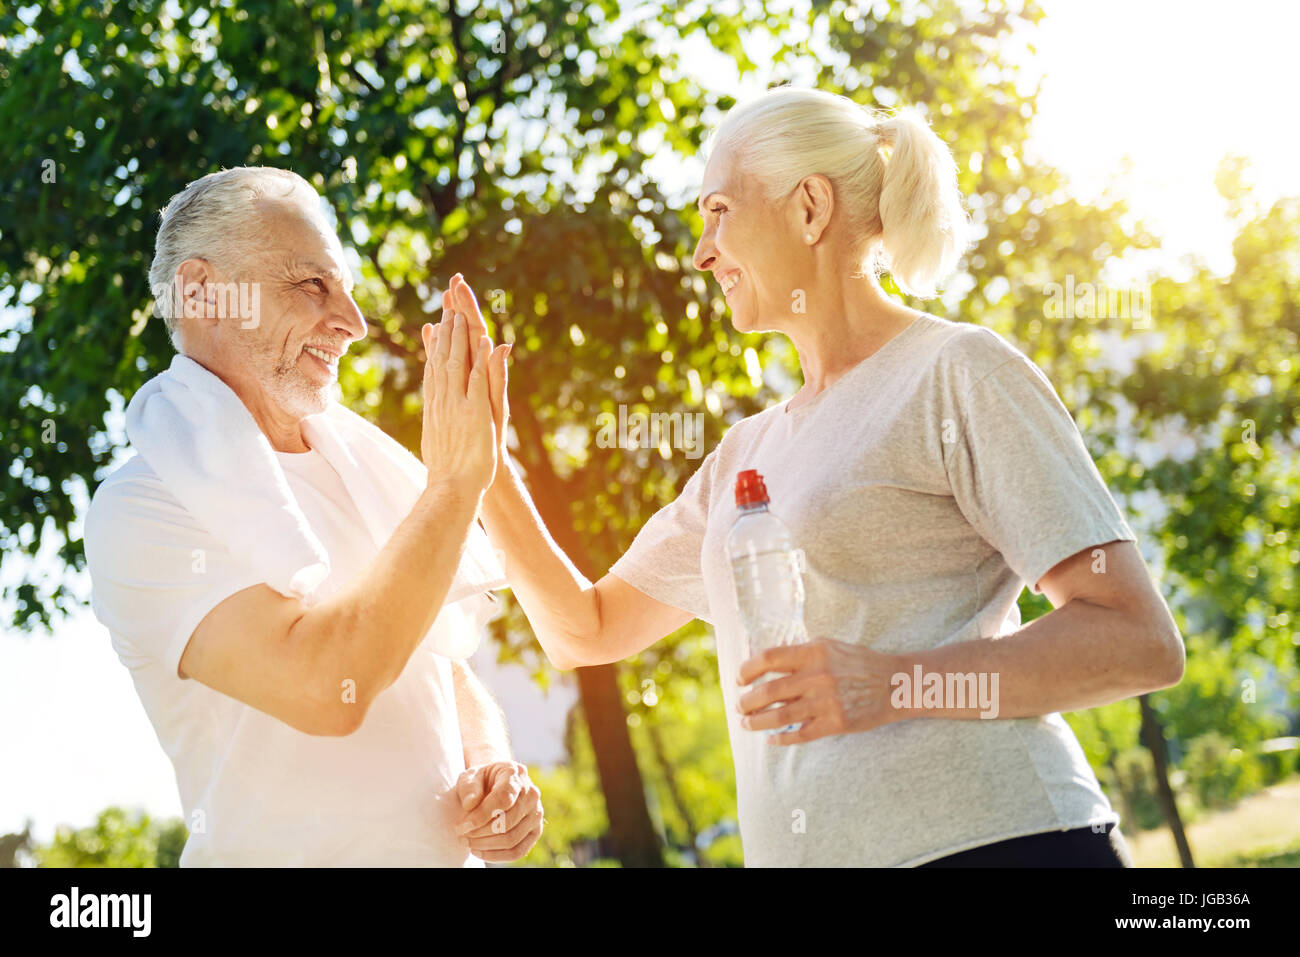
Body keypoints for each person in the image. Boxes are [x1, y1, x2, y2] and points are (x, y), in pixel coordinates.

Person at [445, 87, 1184, 867]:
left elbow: (1136, 639)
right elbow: (583, 629)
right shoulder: (744, 457)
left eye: (720, 211)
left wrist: (891, 685)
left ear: (808, 208)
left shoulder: (956, 372)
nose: (701, 253)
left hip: (1002, 842)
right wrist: (484, 468)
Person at [83, 167, 542, 866]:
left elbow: (439, 666)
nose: (353, 323)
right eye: (312, 285)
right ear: (203, 292)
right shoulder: (141, 508)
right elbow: (326, 687)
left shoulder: (367, 468)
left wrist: (492, 764)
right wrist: (453, 487)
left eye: (348, 288)